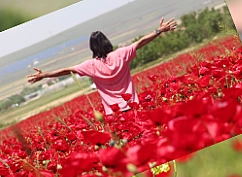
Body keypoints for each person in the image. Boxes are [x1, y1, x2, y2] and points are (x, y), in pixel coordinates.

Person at [26, 17, 178, 115]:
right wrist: (159, 31)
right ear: (107, 42)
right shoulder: (121, 54)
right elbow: (141, 42)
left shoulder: (91, 65)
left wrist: (44, 74)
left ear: (92, 48)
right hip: (133, 107)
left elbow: (67, 70)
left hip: (113, 112)